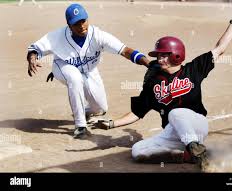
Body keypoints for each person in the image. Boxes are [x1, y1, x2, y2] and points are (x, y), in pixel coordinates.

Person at [94, 4, 232, 171]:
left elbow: (219, 49)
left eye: (163, 55)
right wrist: (111, 124)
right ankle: (185, 155)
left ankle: (196, 149)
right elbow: (137, 113)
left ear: (176, 55)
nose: (159, 59)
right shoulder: (154, 83)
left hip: (196, 125)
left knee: (176, 113)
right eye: (158, 55)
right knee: (137, 150)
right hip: (172, 133)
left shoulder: (193, 69)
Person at [26, 3, 149, 139]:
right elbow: (35, 48)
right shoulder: (57, 36)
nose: (81, 26)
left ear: (87, 19)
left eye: (83, 21)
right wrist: (32, 58)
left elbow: (125, 50)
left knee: (101, 109)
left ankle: (82, 110)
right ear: (69, 24)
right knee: (74, 78)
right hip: (63, 67)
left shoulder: (98, 35)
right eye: (76, 23)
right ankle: (80, 125)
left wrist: (148, 63)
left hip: (90, 70)